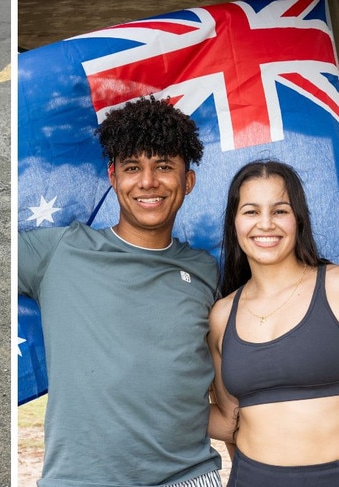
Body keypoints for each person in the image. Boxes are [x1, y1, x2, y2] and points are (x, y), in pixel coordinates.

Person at [19, 95, 222, 487]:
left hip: (189, 477)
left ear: (188, 180)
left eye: (163, 166)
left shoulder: (205, 269)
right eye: (133, 168)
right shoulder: (61, 249)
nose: (148, 182)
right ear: (113, 177)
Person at [207, 160, 339, 486]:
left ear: (298, 219)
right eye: (251, 212)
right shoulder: (222, 315)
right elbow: (228, 422)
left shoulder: (334, 288)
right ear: (234, 222)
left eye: (280, 211)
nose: (265, 224)